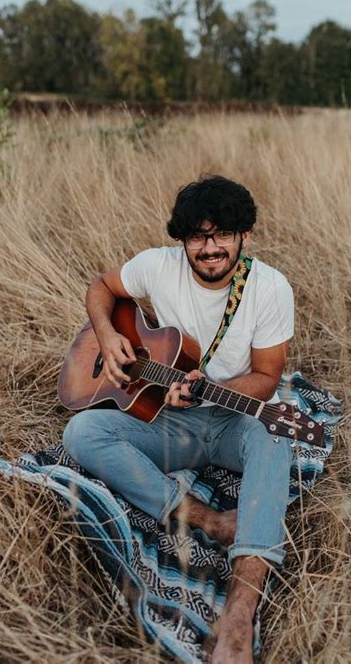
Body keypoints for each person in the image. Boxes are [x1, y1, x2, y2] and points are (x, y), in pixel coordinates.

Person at [62, 174, 294, 663]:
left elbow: (267, 378)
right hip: (170, 422)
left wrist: (209, 391)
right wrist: (107, 336)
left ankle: (238, 614)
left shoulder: (269, 288)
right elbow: (101, 288)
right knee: (81, 431)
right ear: (183, 240)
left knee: (276, 434)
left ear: (244, 236)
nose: (210, 248)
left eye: (222, 235)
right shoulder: (156, 266)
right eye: (197, 236)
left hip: (231, 419)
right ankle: (207, 520)